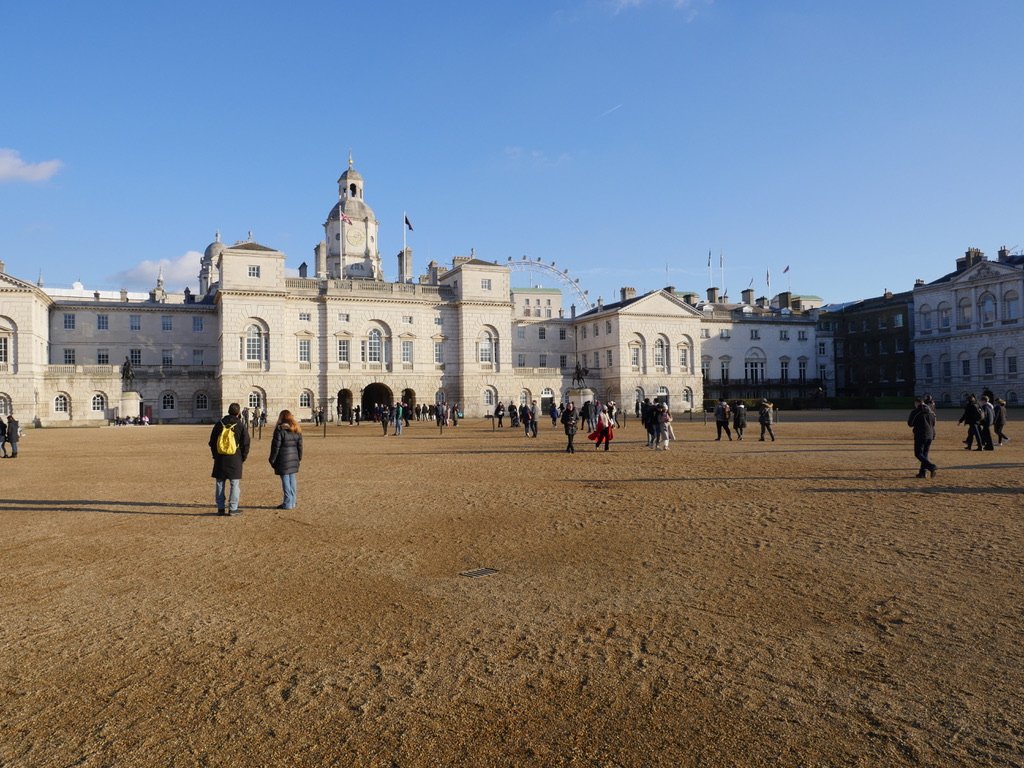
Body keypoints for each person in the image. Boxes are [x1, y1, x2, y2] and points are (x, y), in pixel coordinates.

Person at [209, 403, 250, 515]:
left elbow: (212, 442)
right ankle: (233, 508)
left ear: (228, 411)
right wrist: (243, 457)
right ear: (238, 412)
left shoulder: (219, 423)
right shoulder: (240, 424)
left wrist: (215, 455)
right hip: (235, 457)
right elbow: (246, 443)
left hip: (220, 457)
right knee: (234, 484)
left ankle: (220, 508)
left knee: (220, 483)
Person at [269, 409, 303, 509]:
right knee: (292, 479)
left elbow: (276, 447)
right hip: (294, 458)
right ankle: (293, 502)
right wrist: (299, 458)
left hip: (283, 459)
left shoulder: (280, 429)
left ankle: (288, 502)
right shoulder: (296, 428)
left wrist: (272, 459)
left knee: (286, 480)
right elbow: (300, 446)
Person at [908, 396, 937, 478]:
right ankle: (922, 472)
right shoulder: (931, 411)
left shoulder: (916, 411)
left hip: (920, 434)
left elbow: (910, 423)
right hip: (930, 434)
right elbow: (933, 424)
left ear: (917, 403)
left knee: (918, 453)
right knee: (925, 454)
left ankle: (931, 466)